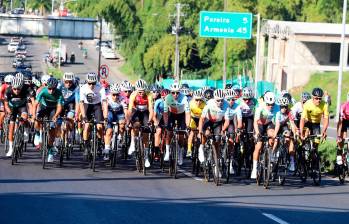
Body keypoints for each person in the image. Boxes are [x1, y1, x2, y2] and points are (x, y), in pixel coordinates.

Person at [33, 77, 63, 162]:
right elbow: (35, 104)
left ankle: (50, 152)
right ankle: (38, 133)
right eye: (49, 88)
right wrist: (33, 115)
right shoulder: (43, 91)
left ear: (56, 88)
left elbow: (60, 106)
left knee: (52, 131)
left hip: (53, 109)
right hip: (44, 107)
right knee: (37, 120)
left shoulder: (59, 93)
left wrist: (56, 116)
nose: (51, 91)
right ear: (47, 87)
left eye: (53, 89)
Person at [251, 92, 280, 179]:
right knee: (258, 146)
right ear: (265, 102)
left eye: (272, 104)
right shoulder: (260, 107)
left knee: (273, 138)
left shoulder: (277, 107)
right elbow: (255, 122)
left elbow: (277, 123)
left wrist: (275, 135)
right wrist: (257, 133)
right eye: (269, 104)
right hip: (259, 124)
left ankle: (270, 155)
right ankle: (255, 169)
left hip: (269, 124)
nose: (271, 106)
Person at [4, 77, 35, 157]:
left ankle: (26, 129)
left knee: (24, 116)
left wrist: (32, 114)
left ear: (22, 87)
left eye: (18, 89)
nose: (16, 91)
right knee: (11, 128)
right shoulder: (8, 91)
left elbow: (32, 103)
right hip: (12, 107)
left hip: (22, 106)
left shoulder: (27, 89)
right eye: (14, 89)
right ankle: (11, 148)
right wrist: (9, 112)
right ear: (12, 87)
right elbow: (6, 105)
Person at [79, 72, 107, 158]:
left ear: (96, 82)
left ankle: (99, 143)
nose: (91, 85)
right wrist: (84, 117)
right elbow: (81, 104)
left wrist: (105, 117)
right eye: (89, 83)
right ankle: (86, 146)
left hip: (96, 106)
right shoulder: (83, 88)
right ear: (86, 82)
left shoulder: (100, 88)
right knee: (87, 126)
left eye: (93, 83)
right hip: (87, 106)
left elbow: (104, 103)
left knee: (100, 126)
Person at [127, 79, 154, 168]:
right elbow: (130, 109)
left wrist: (150, 121)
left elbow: (151, 109)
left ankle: (146, 157)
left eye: (142, 92)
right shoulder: (133, 95)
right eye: (139, 92)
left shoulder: (149, 95)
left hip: (145, 112)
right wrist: (129, 120)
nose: (141, 93)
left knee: (146, 134)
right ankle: (133, 144)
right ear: (136, 90)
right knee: (136, 125)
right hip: (136, 111)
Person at [163, 82, 190, 166]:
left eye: (177, 92)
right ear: (171, 92)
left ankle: (180, 154)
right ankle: (167, 151)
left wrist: (188, 125)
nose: (175, 94)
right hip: (172, 115)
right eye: (173, 92)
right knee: (169, 132)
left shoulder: (184, 98)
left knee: (181, 136)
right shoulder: (167, 98)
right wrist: (166, 123)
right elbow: (165, 113)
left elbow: (188, 113)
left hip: (181, 115)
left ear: (180, 92)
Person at [103, 84, 127, 161]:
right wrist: (106, 118)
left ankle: (119, 138)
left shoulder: (122, 99)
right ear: (110, 93)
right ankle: (107, 150)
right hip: (110, 113)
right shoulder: (107, 98)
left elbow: (125, 111)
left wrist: (127, 120)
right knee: (109, 131)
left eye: (117, 95)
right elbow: (105, 109)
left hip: (119, 113)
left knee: (122, 124)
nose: (115, 97)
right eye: (114, 95)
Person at [187, 89, 206, 157]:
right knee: (192, 133)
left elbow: (205, 117)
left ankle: (200, 149)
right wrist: (188, 125)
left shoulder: (205, 104)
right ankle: (189, 150)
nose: (198, 102)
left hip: (201, 119)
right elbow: (188, 115)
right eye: (197, 100)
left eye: (200, 100)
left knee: (200, 134)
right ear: (193, 99)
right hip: (193, 118)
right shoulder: (191, 103)